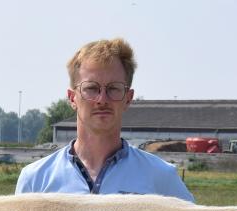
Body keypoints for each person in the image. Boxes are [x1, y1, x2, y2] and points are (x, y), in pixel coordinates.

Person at [15, 38, 194, 202]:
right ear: (72, 98)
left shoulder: (161, 177)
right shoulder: (35, 180)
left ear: (128, 98)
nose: (102, 99)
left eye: (114, 88)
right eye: (91, 88)